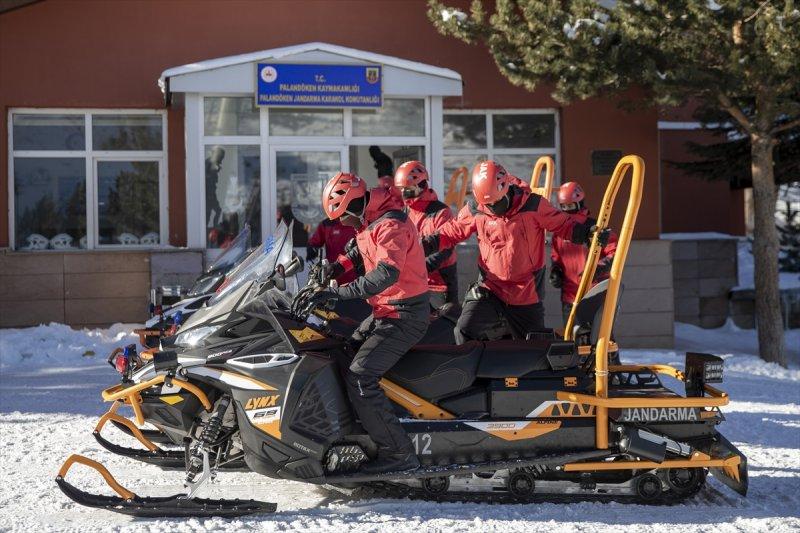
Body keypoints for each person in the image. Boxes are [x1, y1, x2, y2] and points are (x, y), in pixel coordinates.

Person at [300, 172, 429, 474]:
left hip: (405, 315)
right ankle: (356, 434)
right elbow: (358, 252)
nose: (344, 224)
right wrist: (334, 268)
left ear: (356, 204)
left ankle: (398, 454)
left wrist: (337, 292)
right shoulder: (370, 220)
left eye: (344, 217)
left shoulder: (391, 225)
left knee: (360, 377)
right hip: (386, 311)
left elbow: (386, 274)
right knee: (342, 353)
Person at [423, 161, 601, 344]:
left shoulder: (532, 205)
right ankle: (482, 363)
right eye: (488, 204)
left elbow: (563, 224)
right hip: (490, 289)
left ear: (506, 188)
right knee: (464, 330)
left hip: (525, 293)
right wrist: (427, 244)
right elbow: (452, 231)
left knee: (533, 348)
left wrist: (586, 233)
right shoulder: (476, 209)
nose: (492, 206)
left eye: (496, 201)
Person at [550, 181, 618, 325]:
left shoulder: (595, 228)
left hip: (594, 293)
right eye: (564, 206)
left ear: (579, 203)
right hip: (570, 296)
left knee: (597, 334)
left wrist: (598, 268)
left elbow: (614, 252)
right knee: (571, 335)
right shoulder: (560, 231)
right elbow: (556, 255)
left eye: (570, 206)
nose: (567, 210)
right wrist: (556, 270)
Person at [394, 160, 459, 310]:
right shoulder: (405, 212)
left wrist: (419, 268)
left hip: (439, 285)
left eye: (407, 189)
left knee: (441, 323)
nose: (403, 194)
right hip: (412, 283)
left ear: (421, 185)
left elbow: (445, 248)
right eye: (401, 189)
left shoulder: (441, 212)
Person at [306, 218, 358, 285]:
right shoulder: (328, 223)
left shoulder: (356, 221)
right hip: (331, 272)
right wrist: (312, 248)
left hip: (354, 273)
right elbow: (316, 240)